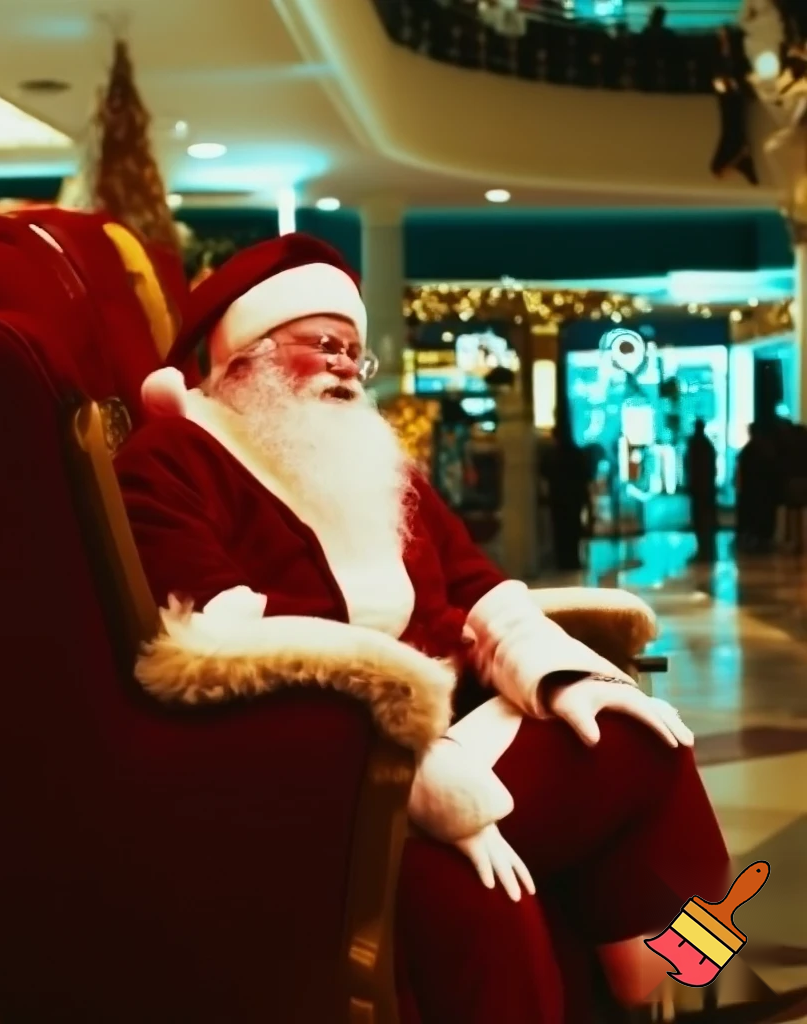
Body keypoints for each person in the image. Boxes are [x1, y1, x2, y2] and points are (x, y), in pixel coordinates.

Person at [118, 234, 729, 1024]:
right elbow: (218, 642)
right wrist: (407, 761)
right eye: (323, 345)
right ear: (246, 355)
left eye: (355, 353)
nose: (346, 366)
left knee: (641, 733)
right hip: (326, 779)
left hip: (449, 729)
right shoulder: (175, 456)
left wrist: (563, 673)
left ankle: (670, 961)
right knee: (481, 895)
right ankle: (654, 966)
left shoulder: (376, 466)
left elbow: (476, 586)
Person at [542, 424, 591, 571]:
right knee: (573, 531)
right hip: (574, 499)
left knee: (560, 532)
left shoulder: (551, 455)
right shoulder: (576, 453)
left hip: (558, 499)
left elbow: (544, 474)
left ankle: (563, 562)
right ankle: (573, 560)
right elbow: (584, 477)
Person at [737, 422, 780, 552]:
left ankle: (755, 537)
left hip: (753, 492)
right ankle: (761, 538)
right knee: (762, 516)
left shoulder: (748, 451)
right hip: (763, 492)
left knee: (754, 516)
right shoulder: (766, 450)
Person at [685, 418, 718, 562]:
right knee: (704, 514)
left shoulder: (695, 444)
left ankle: (703, 544)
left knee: (699, 515)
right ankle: (705, 544)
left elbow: (689, 465)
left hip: (699, 485)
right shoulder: (706, 445)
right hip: (705, 485)